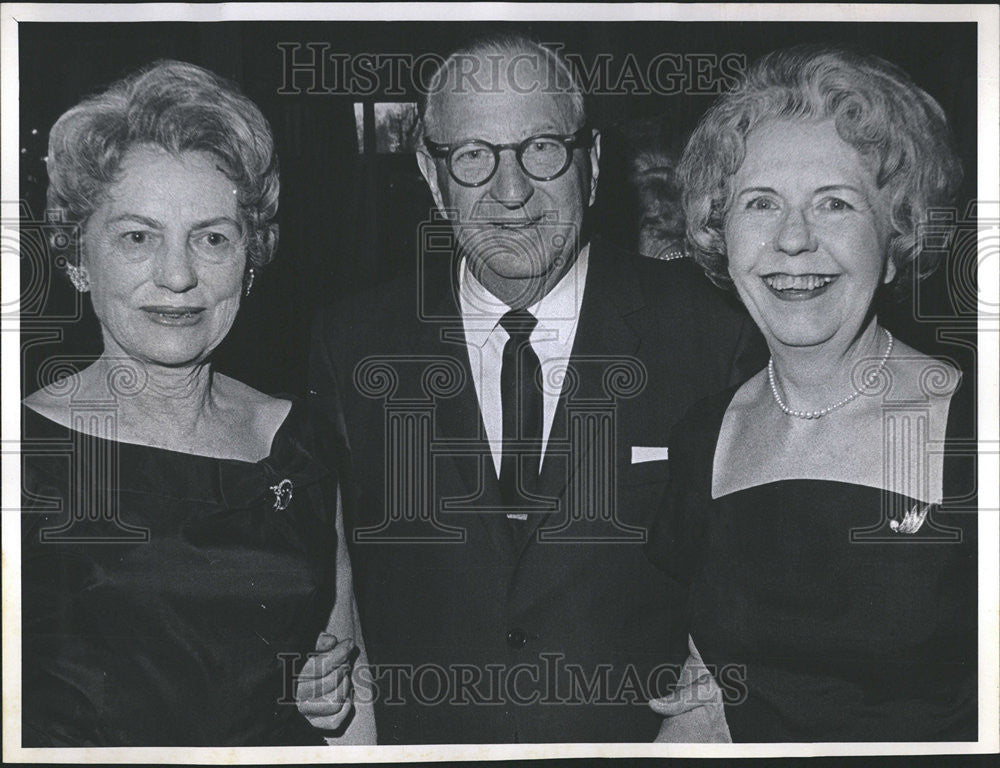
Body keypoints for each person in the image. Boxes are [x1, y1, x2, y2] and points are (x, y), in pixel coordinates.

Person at [308, 32, 764, 744]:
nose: (511, 190)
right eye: (473, 156)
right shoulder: (352, 345)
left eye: (542, 147)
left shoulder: (713, 335)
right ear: (433, 179)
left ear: (592, 163)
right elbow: (334, 601)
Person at [21, 60, 373, 746]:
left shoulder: (300, 441)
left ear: (252, 255)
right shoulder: (23, 459)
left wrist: (327, 699)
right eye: (137, 236)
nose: (178, 276)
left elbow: (346, 684)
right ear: (76, 258)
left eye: (212, 237)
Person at [647, 46, 977, 741]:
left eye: (835, 203)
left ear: (897, 235)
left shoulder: (978, 431)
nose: (793, 240)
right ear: (719, 232)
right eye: (761, 203)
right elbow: (705, 690)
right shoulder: (703, 437)